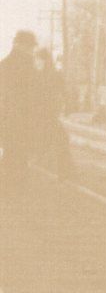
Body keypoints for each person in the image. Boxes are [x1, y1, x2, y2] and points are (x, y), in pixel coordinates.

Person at [0, 31, 40, 196]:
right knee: (19, 159)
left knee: (10, 155)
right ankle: (16, 193)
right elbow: (34, 98)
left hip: (6, 121)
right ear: (21, 45)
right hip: (22, 122)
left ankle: (8, 192)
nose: (31, 50)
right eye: (30, 47)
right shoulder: (28, 66)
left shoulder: (3, 65)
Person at [32, 48, 74, 179]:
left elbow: (64, 91)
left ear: (45, 60)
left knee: (57, 139)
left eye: (39, 59)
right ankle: (58, 169)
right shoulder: (37, 75)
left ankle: (63, 171)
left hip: (48, 113)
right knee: (50, 139)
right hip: (41, 114)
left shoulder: (52, 75)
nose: (37, 62)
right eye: (36, 59)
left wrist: (67, 105)